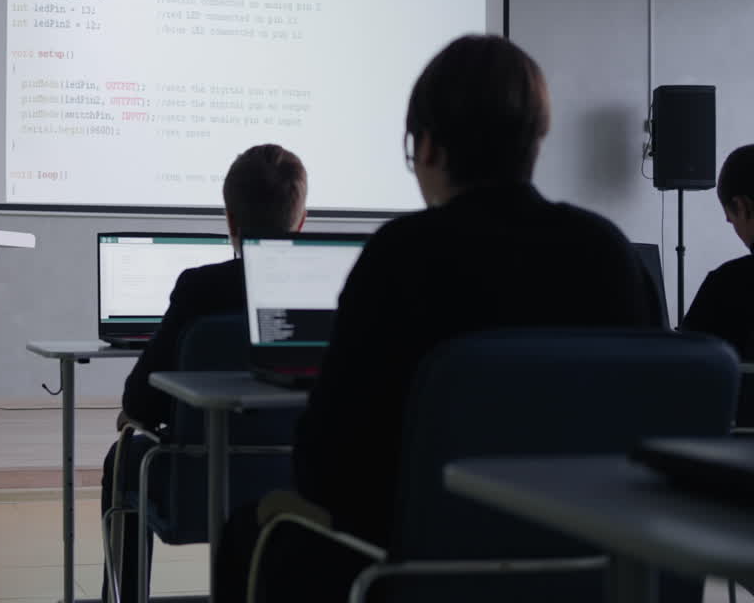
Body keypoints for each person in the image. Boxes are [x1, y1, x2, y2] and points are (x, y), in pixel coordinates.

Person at [215, 35, 666, 602]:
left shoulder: (400, 256)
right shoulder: (609, 254)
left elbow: (326, 467)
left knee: (246, 534)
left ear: (427, 146)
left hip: (417, 571)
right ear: (536, 140)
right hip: (596, 568)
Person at [103, 143, 308, 602]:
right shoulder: (332, 290)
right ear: (302, 221)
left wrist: (136, 416)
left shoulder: (200, 289)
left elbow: (140, 402)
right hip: (302, 484)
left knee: (124, 457)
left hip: (196, 486)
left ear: (230, 221)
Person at [682, 144, 754, 361]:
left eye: (731, 217)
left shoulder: (727, 284)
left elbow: (681, 367)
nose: (730, 223)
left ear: (741, 206)